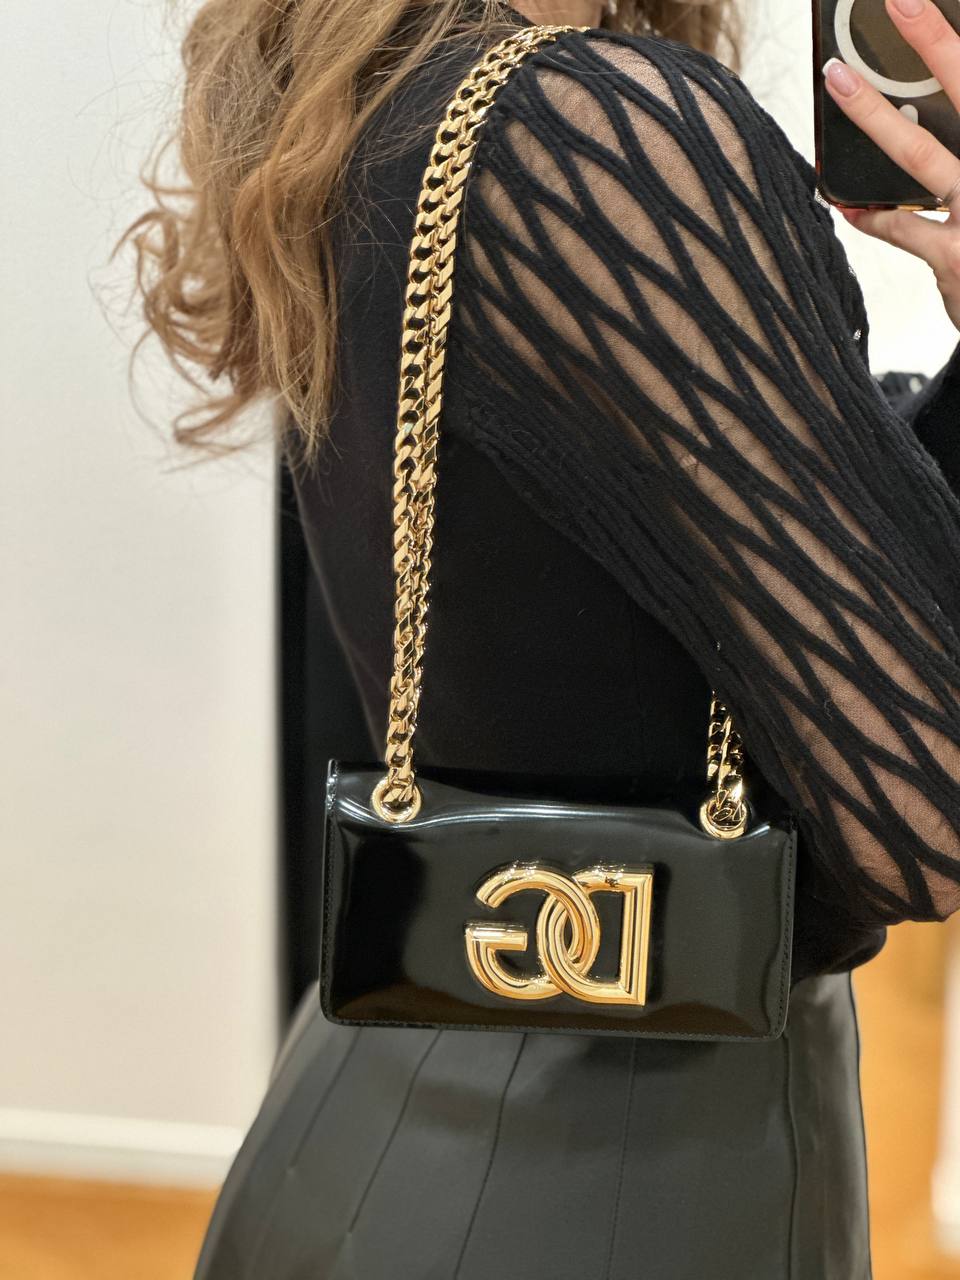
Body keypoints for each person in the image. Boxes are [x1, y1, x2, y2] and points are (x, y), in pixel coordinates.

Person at [119, 0, 960, 1274]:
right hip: (636, 1170)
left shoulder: (376, 100)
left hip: (371, 1109)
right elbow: (931, 804)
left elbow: (689, 547)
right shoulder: (598, 132)